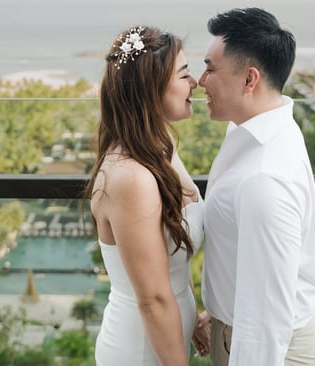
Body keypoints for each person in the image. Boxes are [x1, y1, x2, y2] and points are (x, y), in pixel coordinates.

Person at [198, 8, 315, 366]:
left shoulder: (264, 179)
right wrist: (222, 307)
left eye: (210, 69)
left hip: (268, 349)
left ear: (249, 79)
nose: (200, 81)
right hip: (236, 329)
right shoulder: (258, 129)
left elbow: (267, 319)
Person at [84, 25, 209, 365]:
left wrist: (190, 314)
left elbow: (173, 253)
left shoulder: (160, 147)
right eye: (183, 74)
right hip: (140, 350)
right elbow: (152, 299)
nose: (195, 82)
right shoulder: (131, 178)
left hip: (165, 339)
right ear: (151, 88)